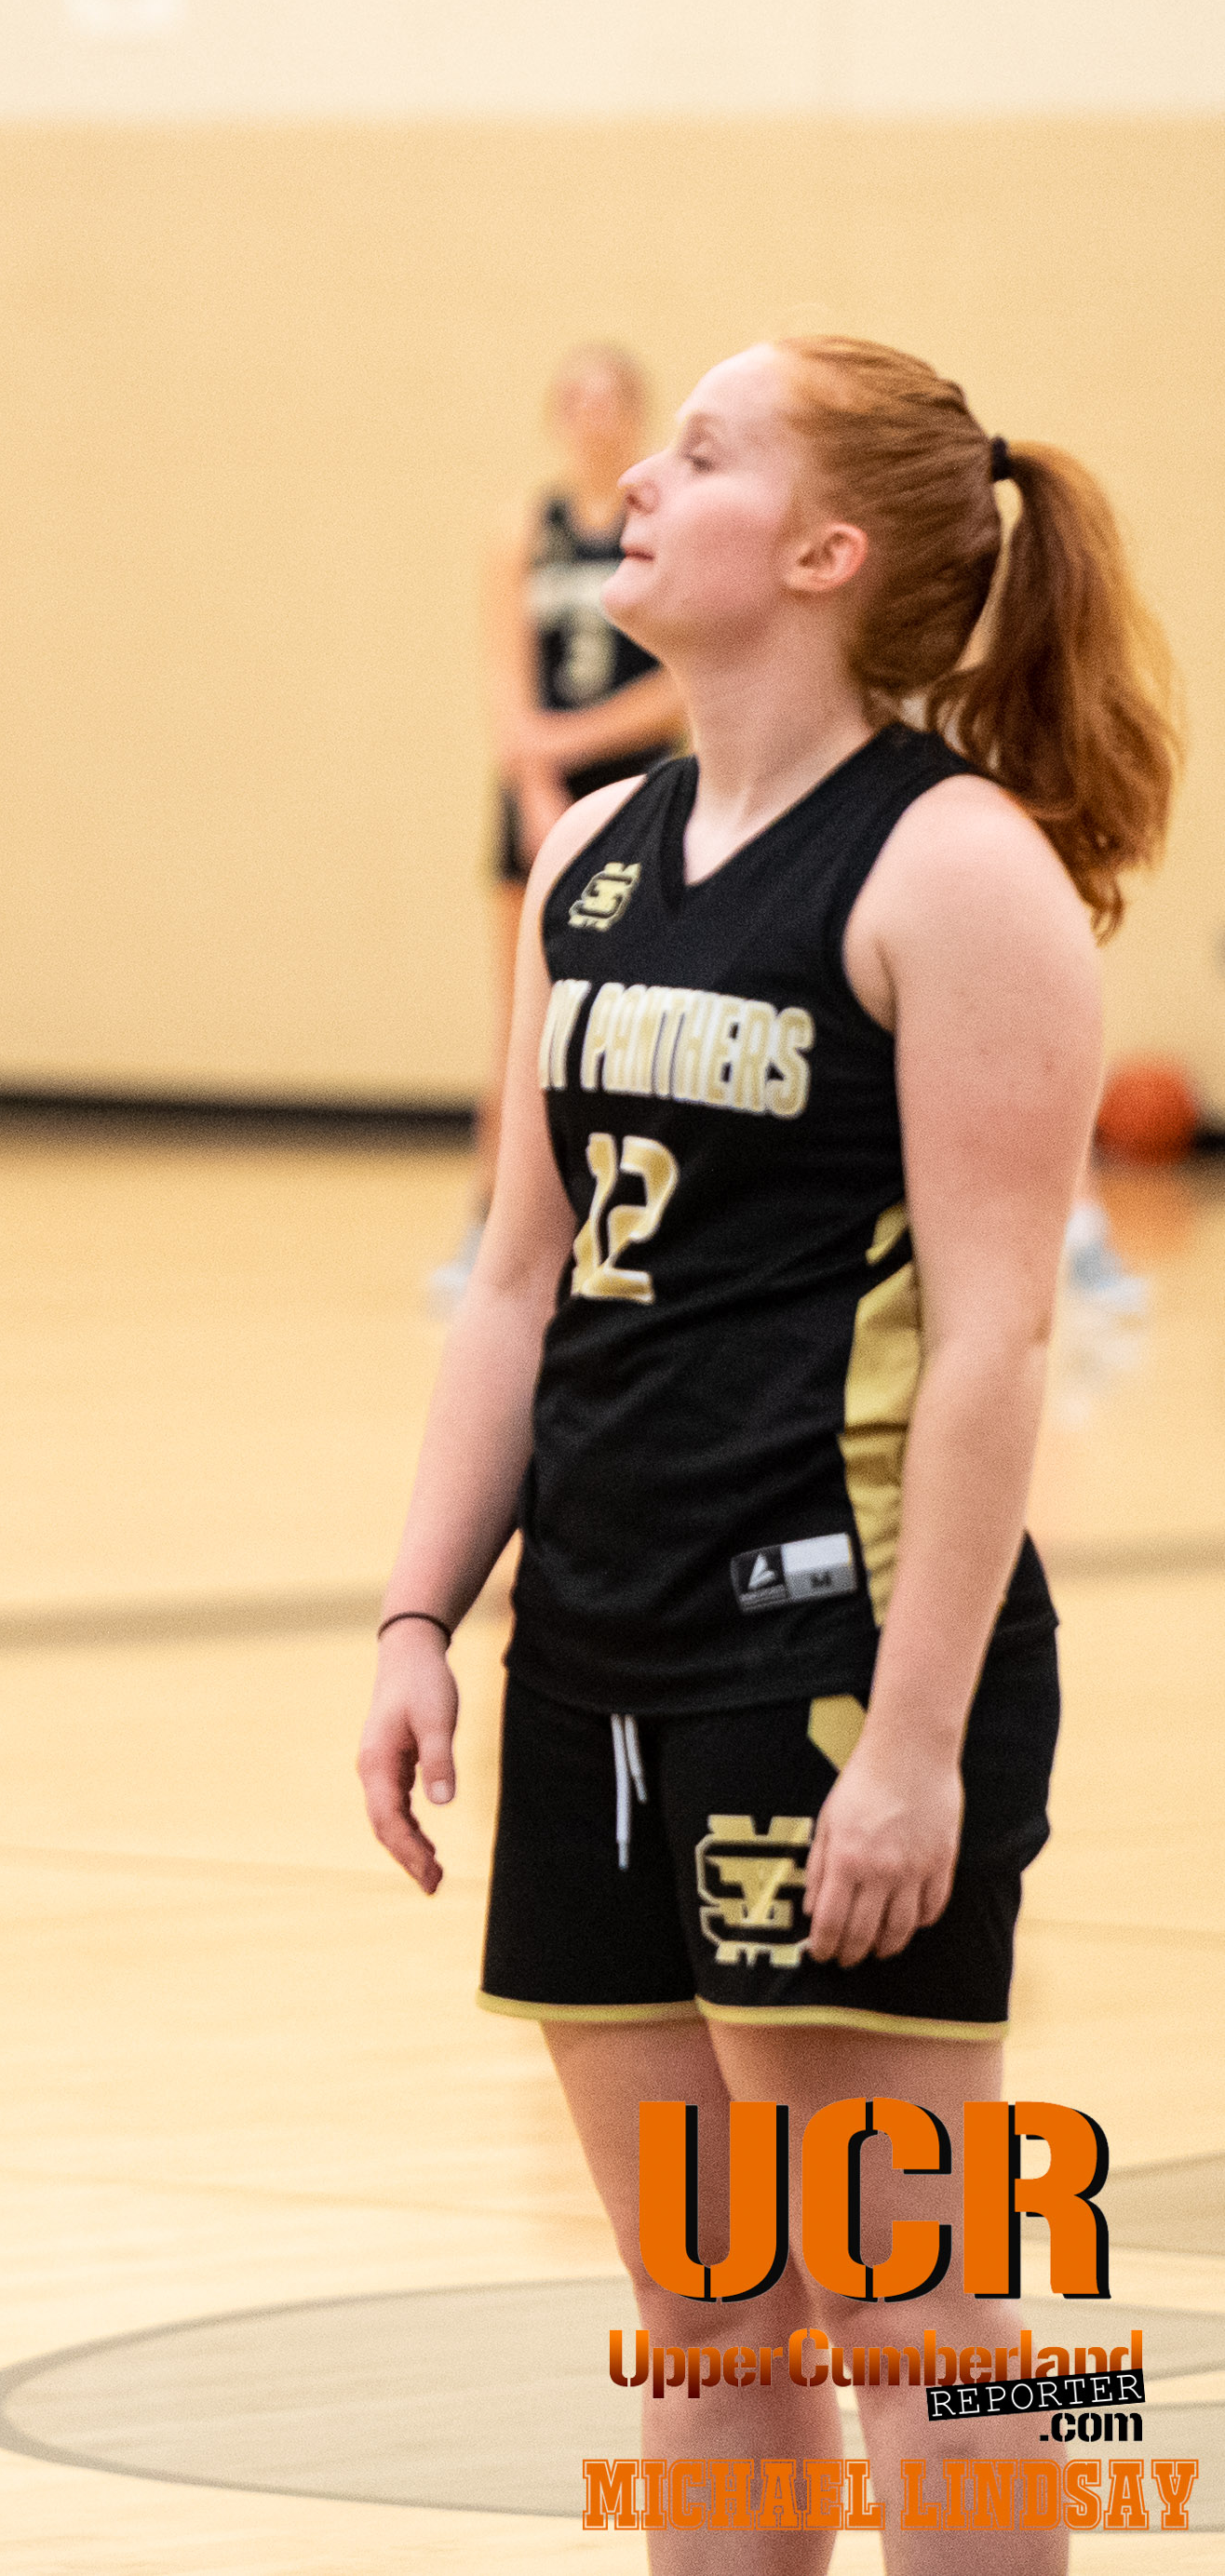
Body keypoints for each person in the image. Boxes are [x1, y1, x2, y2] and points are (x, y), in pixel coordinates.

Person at [358, 338, 1179, 2574]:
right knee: (701, 2312)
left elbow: (997, 1333)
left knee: (912, 2310)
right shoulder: (588, 857)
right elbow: (513, 1280)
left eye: (699, 454)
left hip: (829, 1659)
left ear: (820, 551)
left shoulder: (950, 868)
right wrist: (419, 1611)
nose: (634, 479)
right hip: (591, 1655)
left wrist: (909, 1743)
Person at [433, 343, 683, 1307]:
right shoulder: (522, 530)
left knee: (638, 1011)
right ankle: (486, 1223)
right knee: (520, 1019)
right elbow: (504, 678)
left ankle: (632, 1224)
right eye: (575, 399)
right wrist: (537, 785)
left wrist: (567, 740)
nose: (593, 415)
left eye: (610, 398)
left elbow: (676, 689)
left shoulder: (663, 526)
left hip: (638, 785)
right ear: (555, 415)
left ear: (636, 413)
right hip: (537, 792)